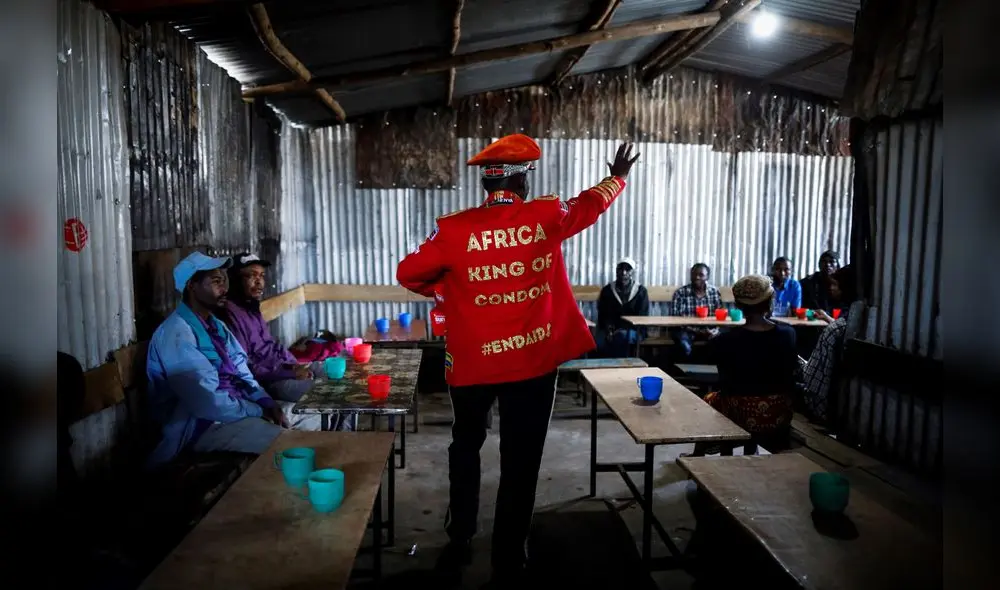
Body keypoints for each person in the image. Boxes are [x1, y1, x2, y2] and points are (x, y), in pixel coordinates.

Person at [396, 135, 639, 586]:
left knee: (465, 445)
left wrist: (447, 289)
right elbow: (590, 205)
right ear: (523, 178)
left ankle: (461, 537)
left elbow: (408, 271)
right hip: (531, 362)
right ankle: (510, 554)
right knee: (521, 458)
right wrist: (618, 177)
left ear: (487, 183)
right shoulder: (546, 215)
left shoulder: (453, 229)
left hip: (471, 365)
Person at [145, 252, 286, 468]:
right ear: (192, 285)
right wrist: (256, 410)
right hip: (201, 426)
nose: (225, 289)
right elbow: (207, 403)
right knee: (286, 446)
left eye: (224, 280)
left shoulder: (215, 325)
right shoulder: (176, 334)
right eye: (216, 281)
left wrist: (265, 400)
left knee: (298, 422)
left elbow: (241, 369)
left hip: (232, 410)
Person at [218, 253, 352, 431]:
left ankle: (345, 435)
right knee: (335, 393)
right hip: (273, 380)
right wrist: (291, 372)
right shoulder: (229, 315)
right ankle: (342, 438)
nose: (259, 282)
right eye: (251, 275)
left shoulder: (251, 307)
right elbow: (247, 367)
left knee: (349, 380)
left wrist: (296, 364)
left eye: (261, 276)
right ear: (234, 279)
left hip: (288, 367)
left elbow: (272, 345)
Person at [707, 274, 799, 453]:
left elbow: (723, 377)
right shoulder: (788, 334)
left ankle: (700, 456)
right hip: (779, 412)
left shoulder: (724, 340)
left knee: (709, 399)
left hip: (740, 413)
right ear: (770, 302)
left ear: (739, 306)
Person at [799, 265, 857, 424]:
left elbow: (813, 381)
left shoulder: (835, 329)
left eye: (835, 285)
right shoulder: (855, 322)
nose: (831, 288)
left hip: (821, 408)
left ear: (846, 288)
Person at [596, 257, 649, 357]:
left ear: (632, 273)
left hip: (634, 330)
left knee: (622, 336)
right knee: (599, 342)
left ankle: (619, 367)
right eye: (620, 269)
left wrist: (621, 330)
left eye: (627, 269)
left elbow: (642, 317)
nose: (624, 273)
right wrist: (609, 330)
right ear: (616, 271)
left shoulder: (641, 291)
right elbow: (602, 314)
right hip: (610, 329)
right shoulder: (607, 290)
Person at [669, 263, 723, 360]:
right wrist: (698, 331)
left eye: (701, 275)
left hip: (709, 331)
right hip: (686, 330)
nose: (697, 277)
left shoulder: (714, 292)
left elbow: (720, 316)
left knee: (722, 342)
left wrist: (714, 331)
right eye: (694, 274)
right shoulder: (680, 293)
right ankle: (687, 372)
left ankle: (710, 371)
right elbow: (675, 318)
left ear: (707, 277)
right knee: (683, 345)